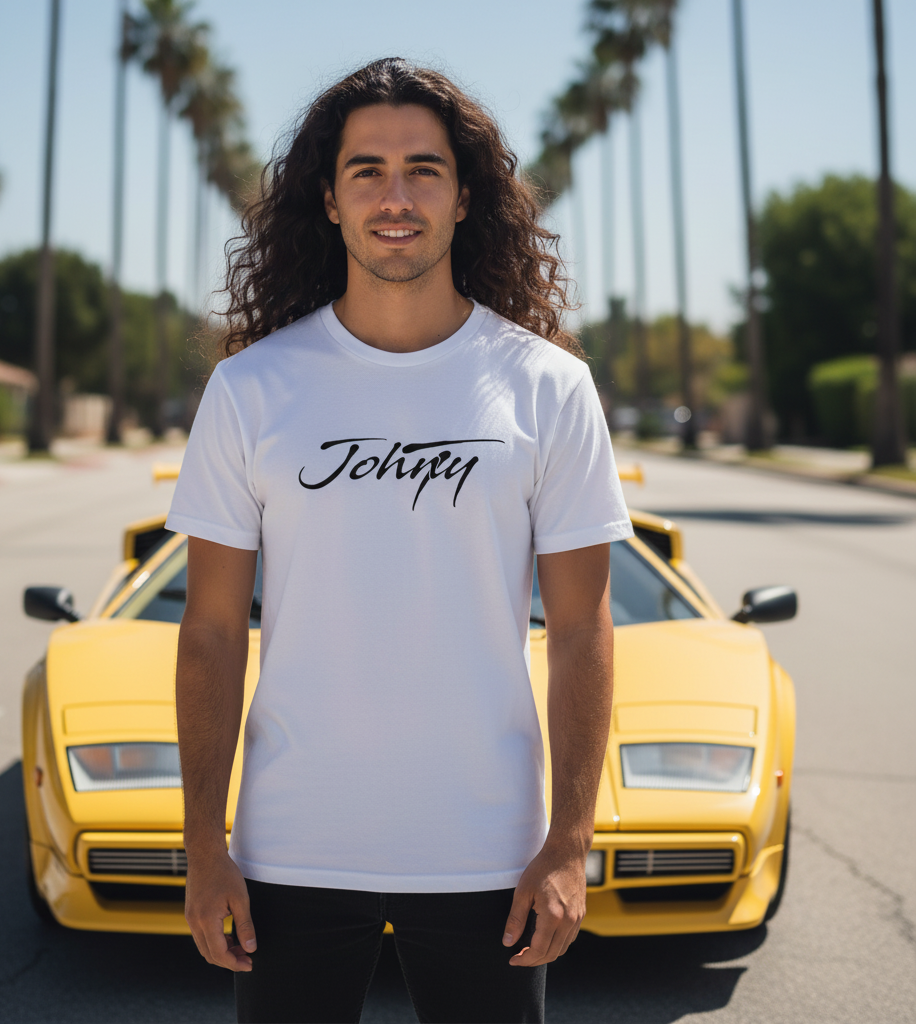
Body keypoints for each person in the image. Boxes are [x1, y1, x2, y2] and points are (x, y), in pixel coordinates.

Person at [166, 57, 633, 1024]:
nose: (395, 196)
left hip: (490, 856)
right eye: (366, 171)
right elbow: (210, 629)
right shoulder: (252, 389)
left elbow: (585, 625)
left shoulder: (548, 387)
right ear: (328, 202)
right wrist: (204, 846)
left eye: (424, 169)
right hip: (288, 853)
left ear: (466, 199)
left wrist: (569, 842)